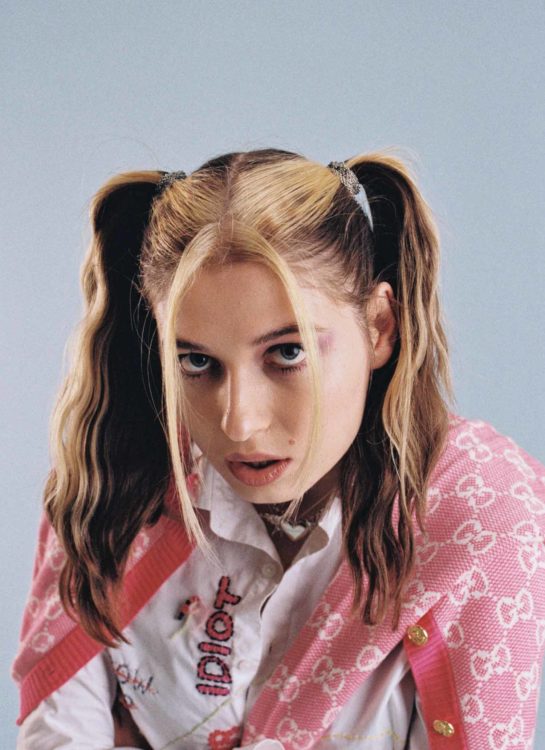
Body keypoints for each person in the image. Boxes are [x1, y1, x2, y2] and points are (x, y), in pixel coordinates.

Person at [12, 148, 545, 750]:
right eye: (195, 362)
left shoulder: (483, 513)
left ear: (379, 326)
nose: (238, 422)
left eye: (288, 353)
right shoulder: (113, 473)